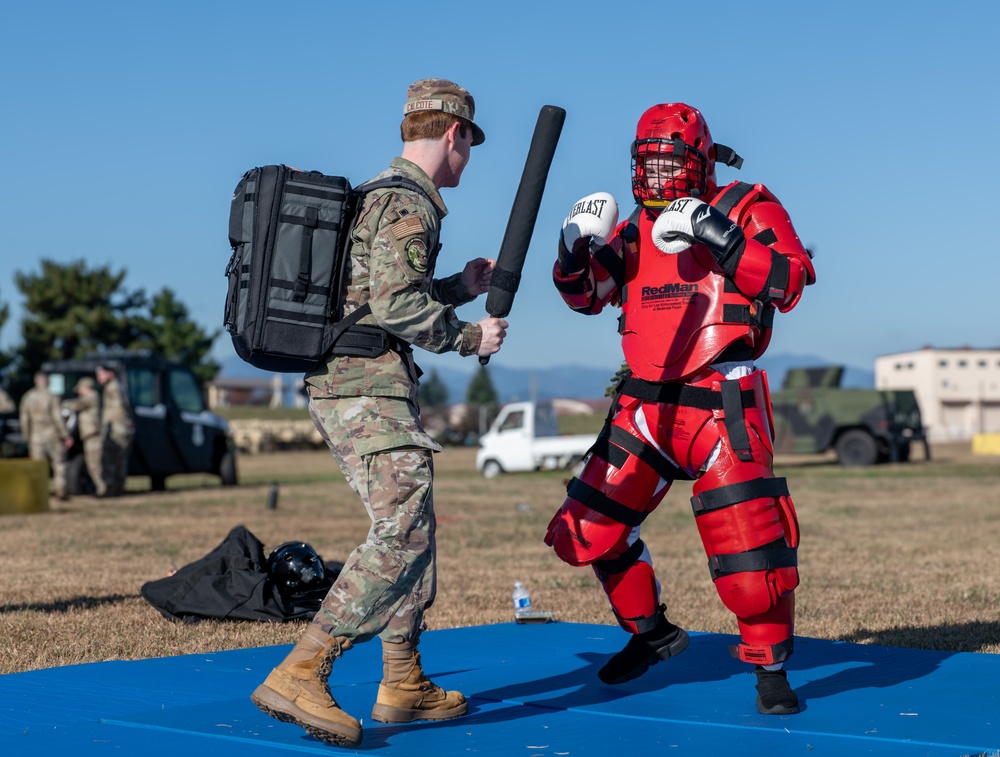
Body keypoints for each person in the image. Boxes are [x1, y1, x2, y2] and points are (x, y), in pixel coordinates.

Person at [250, 78, 508, 748]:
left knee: (411, 524)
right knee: (401, 532)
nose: (467, 160)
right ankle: (304, 667)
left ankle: (403, 678)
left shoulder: (380, 195)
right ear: (453, 135)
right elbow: (394, 307)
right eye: (468, 145)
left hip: (358, 381)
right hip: (365, 388)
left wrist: (458, 287)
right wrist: (468, 334)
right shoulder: (406, 202)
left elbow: (372, 293)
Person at [546, 103, 816, 715]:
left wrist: (718, 236)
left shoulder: (747, 204)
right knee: (583, 532)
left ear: (701, 160)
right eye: (650, 163)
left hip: (722, 397)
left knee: (751, 555)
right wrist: (570, 253)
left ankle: (770, 671)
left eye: (672, 161)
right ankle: (652, 636)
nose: (661, 176)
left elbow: (790, 280)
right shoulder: (637, 228)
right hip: (645, 401)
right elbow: (588, 297)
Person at [18, 371, 72, 500]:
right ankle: (61, 491)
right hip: (53, 435)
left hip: (36, 438)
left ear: (36, 381)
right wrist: (65, 435)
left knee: (38, 466)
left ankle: (39, 493)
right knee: (59, 464)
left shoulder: (28, 397)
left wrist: (27, 437)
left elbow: (24, 420)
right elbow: (58, 417)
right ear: (47, 381)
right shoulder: (52, 397)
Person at [63, 377, 106, 497]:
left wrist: (61, 403)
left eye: (80, 389)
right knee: (92, 463)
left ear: (86, 387)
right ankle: (102, 488)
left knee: (94, 464)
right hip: (88, 435)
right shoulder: (91, 397)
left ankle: (103, 489)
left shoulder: (92, 396)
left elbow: (77, 405)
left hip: (93, 435)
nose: (79, 392)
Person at [95, 364, 134, 496]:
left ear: (110, 373)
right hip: (122, 429)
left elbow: (118, 410)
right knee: (119, 461)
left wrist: (107, 427)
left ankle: (111, 488)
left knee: (110, 459)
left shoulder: (113, 388)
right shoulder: (118, 386)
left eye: (101, 374)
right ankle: (117, 487)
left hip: (116, 430)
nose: (99, 378)